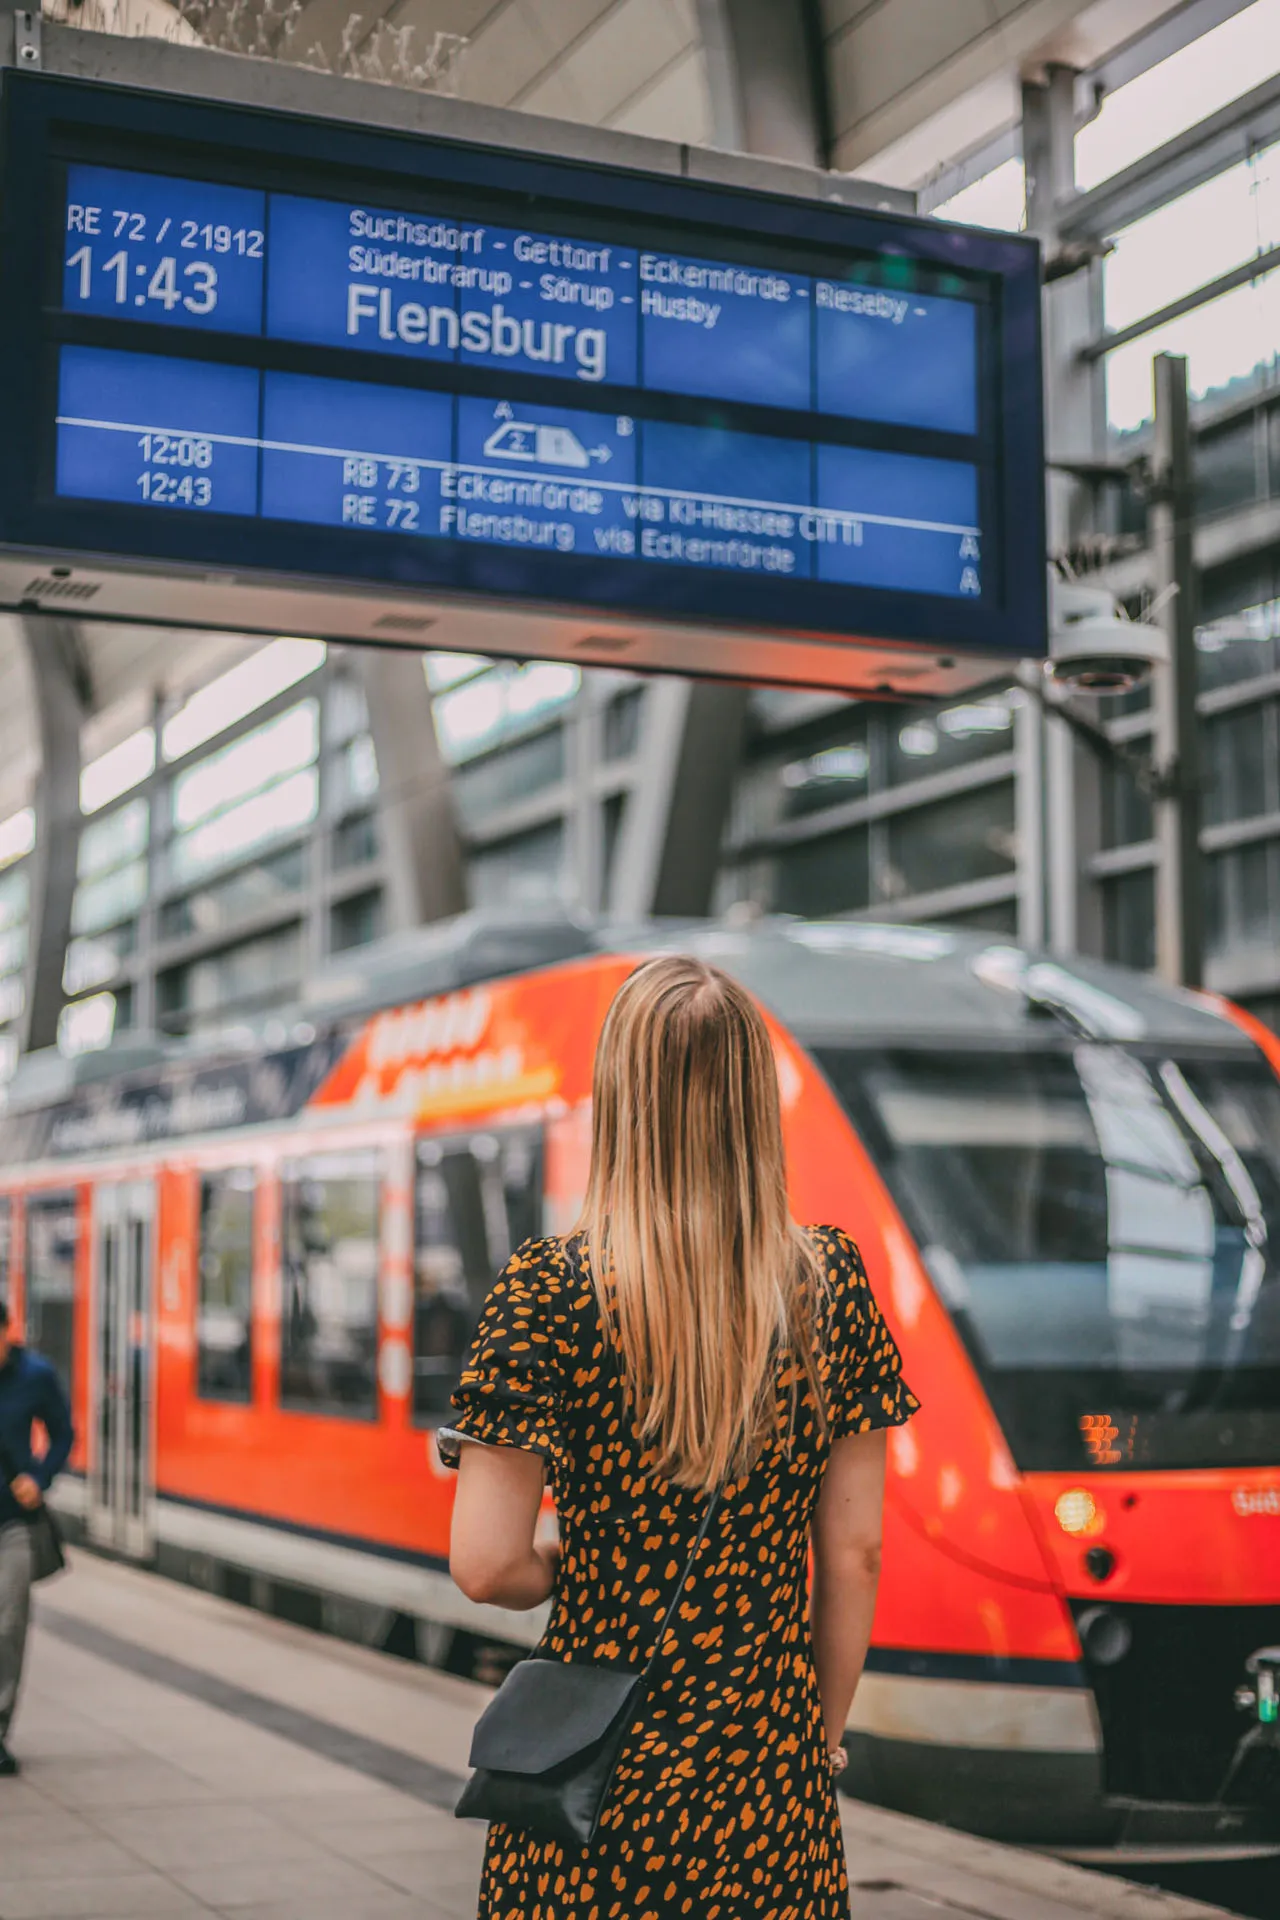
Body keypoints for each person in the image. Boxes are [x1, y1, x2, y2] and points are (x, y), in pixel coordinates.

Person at [443, 954, 918, 1917]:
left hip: (593, 1784)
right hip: (767, 1791)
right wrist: (812, 1743)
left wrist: (572, 1555)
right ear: (753, 1099)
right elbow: (856, 1552)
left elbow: (487, 1568)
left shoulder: (550, 1292)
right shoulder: (828, 1283)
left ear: (618, 1098)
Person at [0, 1297, 74, 1777]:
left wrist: (40, 1477)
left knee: (8, 1626)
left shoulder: (36, 1375)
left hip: (13, 1524)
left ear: (7, 1330)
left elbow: (64, 1434)